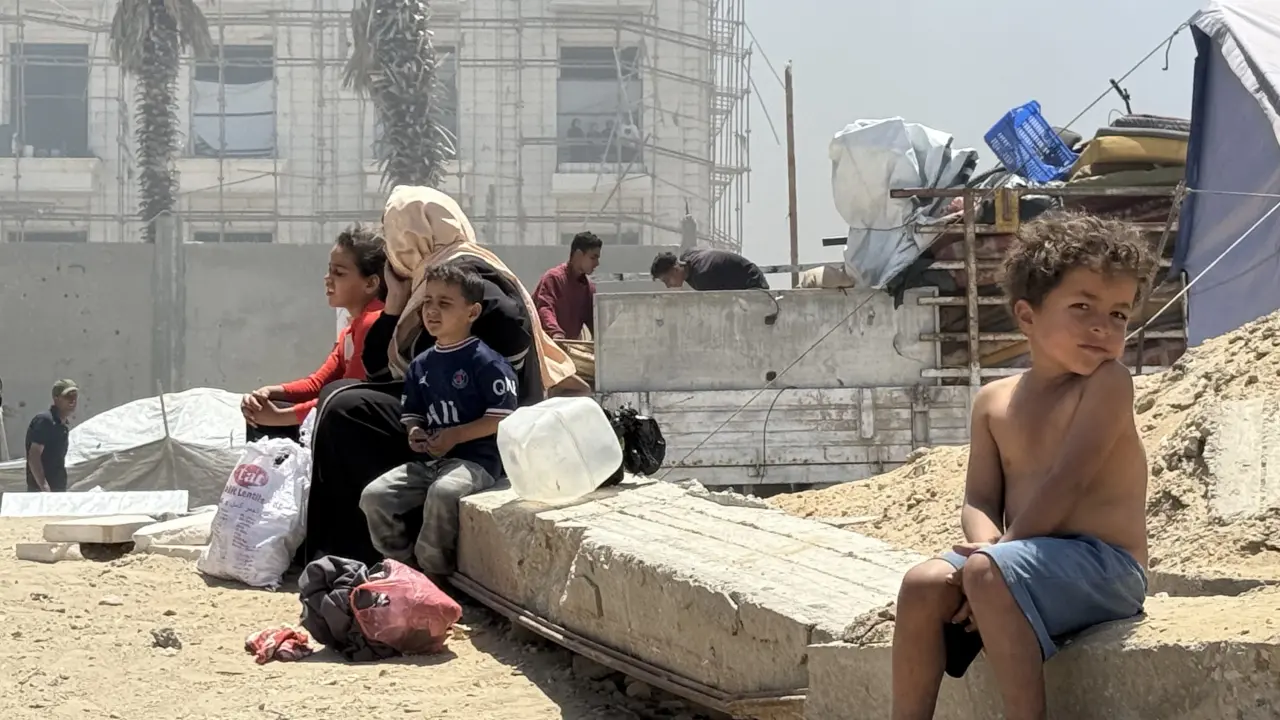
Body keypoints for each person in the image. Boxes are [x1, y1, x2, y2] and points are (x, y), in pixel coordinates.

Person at [890, 213, 1154, 720]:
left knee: (987, 572)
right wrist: (988, 546)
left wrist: (994, 561)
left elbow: (1068, 482)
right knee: (923, 583)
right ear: (1027, 316)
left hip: (1108, 569)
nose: (1103, 326)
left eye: (1119, 314)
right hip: (1022, 559)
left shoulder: (1107, 384)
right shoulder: (993, 402)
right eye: (1082, 307)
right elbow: (979, 499)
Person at [301, 186, 585, 565]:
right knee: (340, 394)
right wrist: (396, 303)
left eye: (394, 234)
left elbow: (496, 366)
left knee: (348, 410)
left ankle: (358, 554)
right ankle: (347, 552)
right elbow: (378, 367)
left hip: (474, 428)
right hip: (437, 410)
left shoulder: (469, 281)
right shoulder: (427, 280)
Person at [359, 264, 518, 580]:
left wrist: (455, 435)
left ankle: (434, 575)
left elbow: (503, 417)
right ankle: (402, 568)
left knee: (443, 493)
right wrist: (415, 432)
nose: (432, 311)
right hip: (431, 462)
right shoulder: (421, 364)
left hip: (476, 463)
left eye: (444, 303)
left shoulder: (486, 361)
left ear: (472, 312)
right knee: (374, 497)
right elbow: (413, 414)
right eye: (427, 301)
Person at [240, 222, 386, 442]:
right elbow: (318, 384)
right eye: (329, 270)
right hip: (343, 413)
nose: (328, 279)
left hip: (367, 430)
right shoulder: (351, 329)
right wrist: (269, 392)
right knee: (261, 408)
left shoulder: (374, 322)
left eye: (339, 273)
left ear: (371, 283)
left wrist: (279, 417)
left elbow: (346, 399)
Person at [532, 231, 601, 340]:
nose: (597, 263)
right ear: (578, 254)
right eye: (593, 257)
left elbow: (594, 319)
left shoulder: (588, 289)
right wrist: (556, 333)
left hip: (568, 345)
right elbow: (545, 308)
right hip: (546, 344)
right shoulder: (553, 279)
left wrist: (602, 335)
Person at [25, 379, 78, 492]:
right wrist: (44, 486)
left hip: (57, 490)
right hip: (42, 493)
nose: (72, 400)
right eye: (68, 396)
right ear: (56, 398)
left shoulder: (62, 426)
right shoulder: (46, 421)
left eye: (75, 396)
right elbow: (34, 456)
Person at [650, 248, 769, 291]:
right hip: (751, 275)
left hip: (753, 285)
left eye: (667, 280)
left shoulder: (702, 277)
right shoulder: (687, 257)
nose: (668, 286)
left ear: (675, 269)